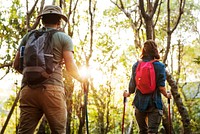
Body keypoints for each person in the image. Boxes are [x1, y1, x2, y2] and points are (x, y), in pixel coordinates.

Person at [13, 5, 83, 134]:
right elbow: (71, 68)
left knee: (24, 132)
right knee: (58, 131)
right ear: (59, 21)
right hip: (52, 90)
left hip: (28, 90)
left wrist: (33, 76)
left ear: (42, 20)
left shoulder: (28, 37)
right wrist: (83, 80)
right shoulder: (63, 38)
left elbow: (16, 64)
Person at [123, 40, 171, 134]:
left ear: (143, 50)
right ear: (155, 50)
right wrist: (167, 95)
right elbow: (161, 87)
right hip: (155, 103)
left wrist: (127, 93)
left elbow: (132, 86)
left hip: (139, 103)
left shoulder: (136, 65)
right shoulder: (160, 66)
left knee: (142, 131)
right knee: (152, 132)